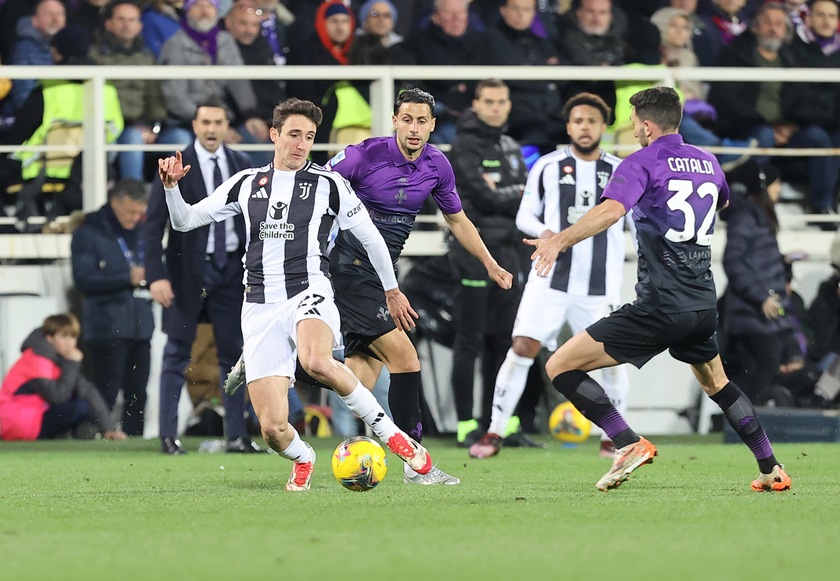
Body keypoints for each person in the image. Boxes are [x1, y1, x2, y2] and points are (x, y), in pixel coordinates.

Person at [157, 97, 434, 492]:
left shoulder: (329, 184)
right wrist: (171, 189)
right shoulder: (246, 182)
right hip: (258, 304)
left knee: (317, 360)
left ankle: (393, 436)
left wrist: (391, 289)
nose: (301, 144)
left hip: (310, 289)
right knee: (272, 428)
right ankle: (304, 457)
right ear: (274, 135)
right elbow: (185, 220)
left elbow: (371, 239)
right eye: (293, 135)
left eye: (309, 137)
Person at [525, 86, 791, 492]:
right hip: (702, 304)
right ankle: (771, 468)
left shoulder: (641, 162)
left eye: (633, 124)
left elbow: (611, 211)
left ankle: (627, 441)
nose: (632, 131)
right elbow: (719, 203)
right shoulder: (709, 162)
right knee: (717, 383)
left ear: (648, 125)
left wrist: (559, 239)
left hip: (661, 304)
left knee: (559, 365)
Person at [469, 92, 631, 460]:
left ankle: (614, 438)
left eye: (592, 120)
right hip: (550, 278)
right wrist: (545, 235)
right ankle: (494, 432)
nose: (584, 127)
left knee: (612, 357)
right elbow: (525, 215)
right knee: (523, 347)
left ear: (603, 127)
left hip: (599, 283)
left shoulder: (621, 170)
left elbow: (635, 223)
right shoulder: (547, 165)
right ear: (568, 126)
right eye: (577, 121)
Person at [142, 99, 257, 455]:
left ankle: (236, 435)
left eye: (218, 122)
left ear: (226, 126)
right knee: (177, 352)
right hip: (185, 274)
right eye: (205, 122)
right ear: (194, 125)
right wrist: (156, 276)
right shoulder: (172, 166)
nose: (211, 129)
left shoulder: (242, 164)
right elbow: (151, 228)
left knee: (234, 354)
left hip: (232, 271)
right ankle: (167, 435)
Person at [445, 79, 532, 448]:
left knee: (505, 341)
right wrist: (511, 194)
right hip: (473, 251)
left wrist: (505, 194)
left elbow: (519, 200)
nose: (496, 107)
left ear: (509, 106)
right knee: (470, 340)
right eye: (489, 101)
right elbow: (482, 197)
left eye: (501, 101)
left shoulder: (511, 146)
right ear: (476, 104)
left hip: (510, 253)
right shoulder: (462, 146)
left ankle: (500, 424)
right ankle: (466, 425)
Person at [710, 3, 840, 218]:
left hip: (787, 127)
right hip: (746, 126)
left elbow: (802, 99)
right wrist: (767, 123)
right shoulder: (735, 54)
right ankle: (755, 203)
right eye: (767, 22)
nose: (773, 28)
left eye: (779, 24)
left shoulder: (792, 58)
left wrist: (793, 125)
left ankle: (822, 206)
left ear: (786, 30)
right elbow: (727, 100)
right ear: (755, 27)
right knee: (764, 135)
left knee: (817, 137)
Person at [71, 179, 153, 437]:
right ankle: (97, 438)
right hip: (106, 325)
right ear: (114, 202)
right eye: (130, 211)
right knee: (105, 391)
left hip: (141, 324)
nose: (135, 217)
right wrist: (125, 277)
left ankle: (136, 443)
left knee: (138, 392)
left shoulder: (143, 230)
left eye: (140, 212)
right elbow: (83, 278)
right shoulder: (89, 232)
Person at [91, 0, 192, 181]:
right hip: (114, 127)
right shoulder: (95, 55)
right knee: (133, 138)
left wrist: (154, 126)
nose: (126, 24)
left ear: (139, 26)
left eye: (132, 20)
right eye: (121, 19)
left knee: (181, 138)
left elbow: (154, 96)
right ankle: (133, 194)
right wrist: (134, 126)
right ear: (108, 23)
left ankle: (178, 197)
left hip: (148, 126)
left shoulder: (147, 57)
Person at [158, 0, 269, 163]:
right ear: (188, 11)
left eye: (209, 6)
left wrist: (250, 115)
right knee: (181, 141)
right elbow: (175, 96)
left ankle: (260, 187)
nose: (205, 11)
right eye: (198, 6)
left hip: (224, 117)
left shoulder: (225, 40)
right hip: (185, 121)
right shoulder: (175, 45)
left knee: (257, 134)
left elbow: (239, 82)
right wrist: (211, 124)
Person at [720, 161, 792, 405]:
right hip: (750, 311)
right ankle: (744, 424)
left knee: (755, 369)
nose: (780, 189)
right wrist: (761, 297)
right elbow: (732, 261)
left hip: (757, 311)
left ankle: (741, 427)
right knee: (767, 364)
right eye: (776, 183)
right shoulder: (746, 217)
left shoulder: (755, 216)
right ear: (764, 185)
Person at [0, 314, 127, 442]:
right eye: (63, 336)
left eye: (73, 337)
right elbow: (58, 397)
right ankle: (72, 433)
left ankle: (77, 432)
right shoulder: (37, 360)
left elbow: (88, 391)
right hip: (18, 423)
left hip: (34, 418)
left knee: (84, 402)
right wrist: (72, 363)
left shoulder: (58, 359)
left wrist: (109, 429)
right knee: (80, 407)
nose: (69, 343)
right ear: (49, 338)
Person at [3, 0, 66, 119]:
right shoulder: (24, 49)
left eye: (60, 14)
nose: (55, 19)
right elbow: (22, 94)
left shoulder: (69, 50)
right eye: (49, 14)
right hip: (32, 121)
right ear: (34, 20)